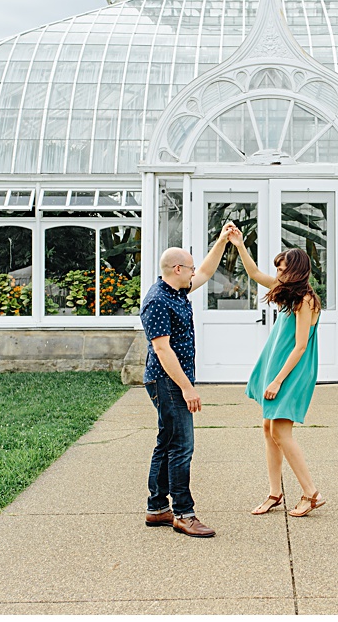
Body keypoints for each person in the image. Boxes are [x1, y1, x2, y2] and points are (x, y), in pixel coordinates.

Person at [141, 222, 240, 538]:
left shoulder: (177, 289)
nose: (195, 273)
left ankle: (157, 508)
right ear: (177, 268)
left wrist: (223, 241)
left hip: (172, 380)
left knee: (167, 442)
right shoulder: (158, 299)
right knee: (182, 446)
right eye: (190, 268)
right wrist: (186, 387)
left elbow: (208, 272)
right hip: (167, 381)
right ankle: (184, 513)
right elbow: (161, 348)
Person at [228, 237, 328, 519]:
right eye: (278, 270)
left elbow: (300, 345)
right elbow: (255, 274)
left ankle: (312, 494)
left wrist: (277, 380)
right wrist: (238, 245)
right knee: (268, 429)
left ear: (296, 270)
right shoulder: (288, 293)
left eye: (283, 270)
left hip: (292, 372)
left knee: (281, 432)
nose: (279, 274)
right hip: (279, 368)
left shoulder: (305, 300)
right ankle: (275, 493)